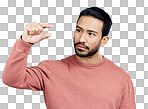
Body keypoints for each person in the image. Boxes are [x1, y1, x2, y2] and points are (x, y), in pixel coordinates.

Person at [2, 7, 136, 109]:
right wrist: (25, 43)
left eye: (91, 34)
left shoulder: (121, 77)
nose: (82, 39)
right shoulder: (51, 70)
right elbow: (11, 79)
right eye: (79, 30)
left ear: (104, 40)